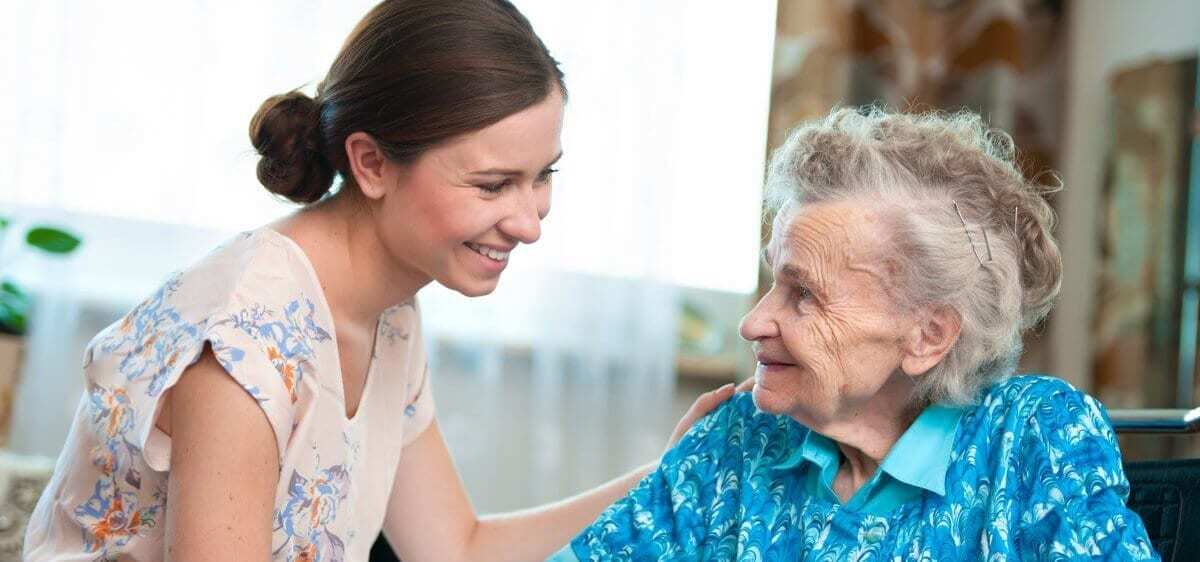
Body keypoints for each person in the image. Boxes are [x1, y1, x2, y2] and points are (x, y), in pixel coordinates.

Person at [23, 1, 736, 560]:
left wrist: (672, 475)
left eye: (542, 176)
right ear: (370, 164)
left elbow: (457, 549)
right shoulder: (243, 345)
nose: (529, 222)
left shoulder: (387, 311)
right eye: (493, 185)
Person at [553, 107, 1159, 561]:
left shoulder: (1032, 438)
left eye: (805, 294)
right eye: (773, 283)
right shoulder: (741, 437)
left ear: (927, 336)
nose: (754, 323)